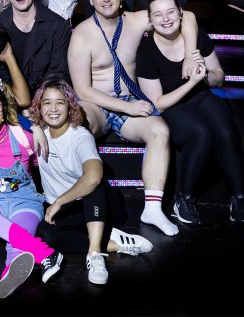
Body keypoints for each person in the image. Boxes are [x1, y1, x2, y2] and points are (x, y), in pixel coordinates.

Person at [68, 0, 200, 237]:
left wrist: (190, 54)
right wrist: (127, 107)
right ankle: (75, 200)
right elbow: (83, 89)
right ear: (90, 0)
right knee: (78, 123)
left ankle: (152, 209)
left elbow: (188, 17)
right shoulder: (82, 34)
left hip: (129, 100)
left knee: (159, 130)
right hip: (97, 103)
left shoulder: (137, 20)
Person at [136, 0, 244, 224]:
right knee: (201, 132)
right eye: (158, 14)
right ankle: (184, 197)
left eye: (170, 12)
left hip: (201, 95)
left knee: (226, 130)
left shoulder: (196, 36)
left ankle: (239, 197)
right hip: (171, 105)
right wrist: (191, 82)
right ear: (150, 20)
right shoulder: (146, 51)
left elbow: (219, 78)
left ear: (181, 13)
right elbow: (157, 103)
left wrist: (204, 74)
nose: (165, 19)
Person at [29, 77, 154, 285]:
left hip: (98, 204)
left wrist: (60, 201)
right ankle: (112, 242)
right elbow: (7, 116)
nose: (53, 109)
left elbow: (94, 176)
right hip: (69, 210)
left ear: (70, 106)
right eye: (47, 103)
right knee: (44, 236)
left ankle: (95, 254)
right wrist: (33, 127)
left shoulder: (80, 136)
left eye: (60, 102)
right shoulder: (38, 134)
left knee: (91, 184)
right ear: (39, 108)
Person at [0, 80, 63, 298]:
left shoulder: (24, 137)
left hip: (24, 203)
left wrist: (35, 127)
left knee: (17, 242)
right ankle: (43, 253)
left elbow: (47, 168)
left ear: (3, 108)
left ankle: (9, 273)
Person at [0, 0, 71, 96]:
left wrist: (37, 103)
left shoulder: (57, 26)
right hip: (11, 99)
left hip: (46, 100)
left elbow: (58, 75)